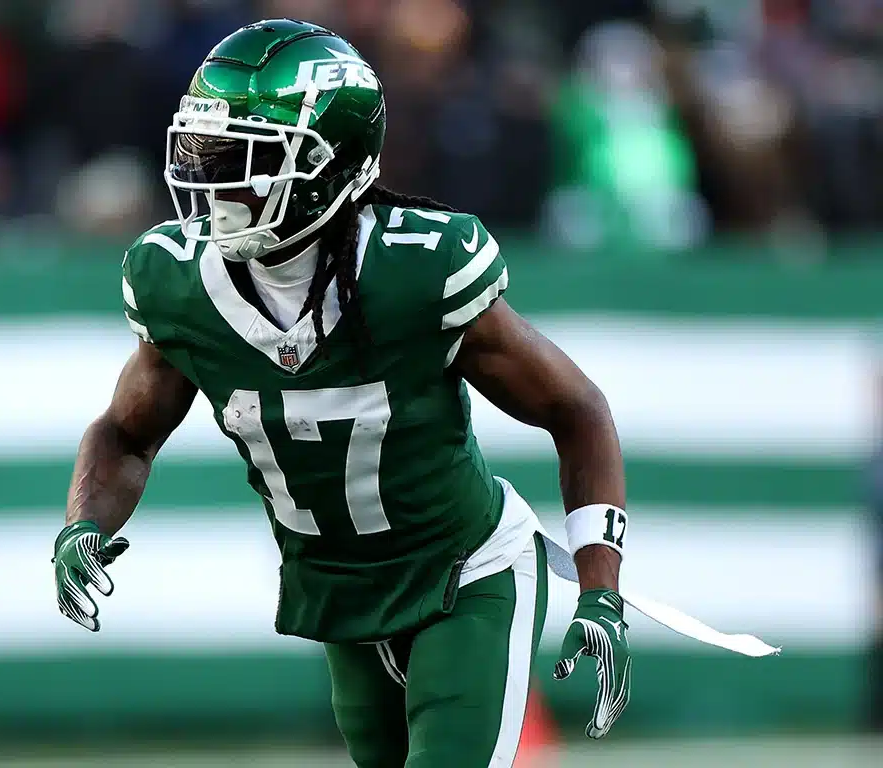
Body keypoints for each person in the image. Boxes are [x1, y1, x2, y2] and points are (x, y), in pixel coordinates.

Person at [52, 19, 631, 767]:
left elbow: (574, 407)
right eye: (205, 150)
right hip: (342, 604)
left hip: (465, 578)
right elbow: (126, 433)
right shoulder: (179, 282)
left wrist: (601, 587)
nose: (214, 180)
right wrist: (80, 523)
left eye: (243, 159)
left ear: (329, 164)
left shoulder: (417, 267)